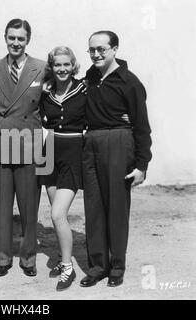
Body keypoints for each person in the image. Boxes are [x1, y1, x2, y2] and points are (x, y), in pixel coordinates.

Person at [80, 31, 152, 288]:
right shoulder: (89, 78)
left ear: (115, 49)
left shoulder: (130, 83)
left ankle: (117, 267)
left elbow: (142, 127)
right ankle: (98, 266)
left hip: (119, 143)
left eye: (102, 49)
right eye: (92, 50)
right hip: (91, 143)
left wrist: (142, 165)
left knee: (117, 209)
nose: (96, 54)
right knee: (94, 208)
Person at [0, 18, 46, 277]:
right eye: (12, 37)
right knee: (3, 202)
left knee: (29, 203)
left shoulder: (42, 68)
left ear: (28, 40)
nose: (16, 43)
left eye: (21, 38)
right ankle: (3, 257)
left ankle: (29, 258)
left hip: (30, 140)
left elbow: (55, 99)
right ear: (5, 38)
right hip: (1, 140)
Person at [38, 46, 86, 291]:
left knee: (57, 214)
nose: (62, 69)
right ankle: (62, 256)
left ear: (73, 65)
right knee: (57, 215)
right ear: (52, 67)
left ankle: (68, 268)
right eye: (58, 65)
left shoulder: (84, 88)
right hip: (50, 153)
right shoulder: (45, 93)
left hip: (73, 153)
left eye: (67, 64)